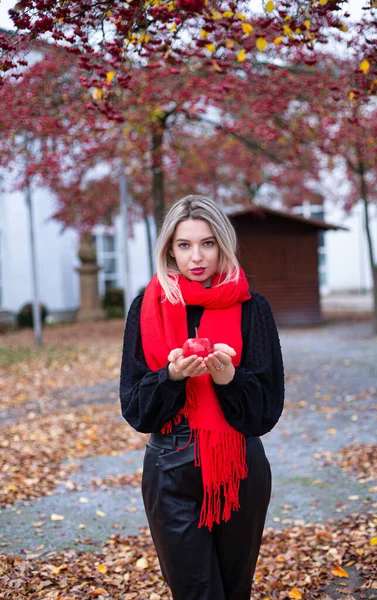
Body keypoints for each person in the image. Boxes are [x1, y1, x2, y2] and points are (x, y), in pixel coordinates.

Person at [120, 195, 284, 600]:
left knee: (233, 590)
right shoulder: (146, 307)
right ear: (169, 250)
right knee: (196, 592)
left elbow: (266, 409)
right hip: (169, 467)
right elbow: (136, 409)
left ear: (223, 245)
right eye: (185, 245)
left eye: (208, 243)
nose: (197, 256)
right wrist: (172, 376)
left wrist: (228, 377)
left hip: (239, 469)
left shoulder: (253, 309)